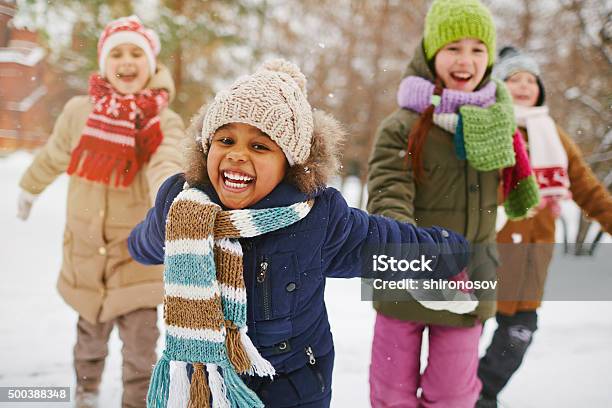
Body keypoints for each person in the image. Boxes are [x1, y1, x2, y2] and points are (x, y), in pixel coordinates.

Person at [127, 58, 472, 408]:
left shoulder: (317, 218)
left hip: (293, 386)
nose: (237, 155)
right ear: (206, 148)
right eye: (226, 140)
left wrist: (447, 251)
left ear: (289, 162)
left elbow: (384, 243)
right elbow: (152, 239)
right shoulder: (184, 207)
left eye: (259, 146)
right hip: (207, 382)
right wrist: (135, 245)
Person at [366, 1, 541, 406]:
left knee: (453, 395)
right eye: (453, 48)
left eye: (478, 49)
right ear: (431, 54)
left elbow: (508, 189)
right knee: (392, 392)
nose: (466, 60)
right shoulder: (402, 126)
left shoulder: (498, 123)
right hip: (406, 276)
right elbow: (389, 192)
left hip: (470, 281)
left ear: (490, 58)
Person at [16, 16, 186, 408]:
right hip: (86, 251)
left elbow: (168, 157)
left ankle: (137, 400)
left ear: (151, 62)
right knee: (88, 338)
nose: (127, 62)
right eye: (118, 53)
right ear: (104, 63)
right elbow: (55, 154)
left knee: (142, 345)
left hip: (137, 253)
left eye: (136, 53)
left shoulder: (162, 119)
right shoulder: (80, 111)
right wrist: (29, 187)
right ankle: (86, 391)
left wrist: (169, 192)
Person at [476, 46, 612, 408]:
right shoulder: (484, 127)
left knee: (519, 333)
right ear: (499, 87)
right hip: (485, 251)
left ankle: (482, 394)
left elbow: (588, 189)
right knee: (463, 332)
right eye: (514, 79)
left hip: (532, 260)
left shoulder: (554, 136)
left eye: (530, 80)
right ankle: (454, 394)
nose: (523, 86)